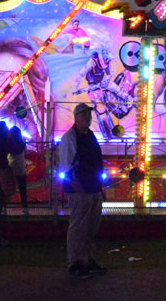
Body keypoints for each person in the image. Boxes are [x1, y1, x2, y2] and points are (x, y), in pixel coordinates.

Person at [59, 103, 107, 279]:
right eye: (84, 115)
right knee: (79, 227)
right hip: (79, 189)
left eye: (89, 114)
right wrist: (78, 188)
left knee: (91, 227)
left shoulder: (90, 136)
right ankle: (75, 263)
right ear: (76, 117)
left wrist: (99, 188)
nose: (88, 117)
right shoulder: (70, 138)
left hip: (92, 188)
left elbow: (96, 162)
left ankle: (87, 259)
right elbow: (66, 167)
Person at [7, 125, 29, 216]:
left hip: (10, 167)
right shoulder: (22, 143)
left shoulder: (8, 143)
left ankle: (4, 207)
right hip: (21, 168)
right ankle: (24, 208)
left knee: (6, 188)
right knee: (22, 189)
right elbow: (26, 153)